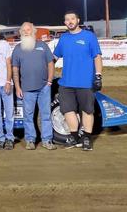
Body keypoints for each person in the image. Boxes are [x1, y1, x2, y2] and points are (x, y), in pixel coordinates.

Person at [53, 11, 102, 151]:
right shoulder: (64, 38)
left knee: (87, 111)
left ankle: (87, 138)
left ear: (78, 20)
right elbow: (54, 58)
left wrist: (98, 75)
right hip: (66, 83)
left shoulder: (89, 36)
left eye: (72, 19)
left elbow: (97, 57)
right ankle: (74, 137)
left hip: (85, 82)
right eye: (67, 19)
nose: (70, 21)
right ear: (64, 23)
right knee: (67, 110)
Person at [12, 22, 56, 150]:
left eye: (28, 29)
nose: (26, 32)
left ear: (33, 31)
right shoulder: (18, 48)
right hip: (26, 90)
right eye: (24, 30)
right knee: (28, 116)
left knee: (46, 115)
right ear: (21, 32)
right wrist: (18, 87)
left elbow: (50, 63)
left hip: (44, 87)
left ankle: (47, 140)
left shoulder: (42, 45)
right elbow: (15, 69)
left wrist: (49, 81)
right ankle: (30, 140)